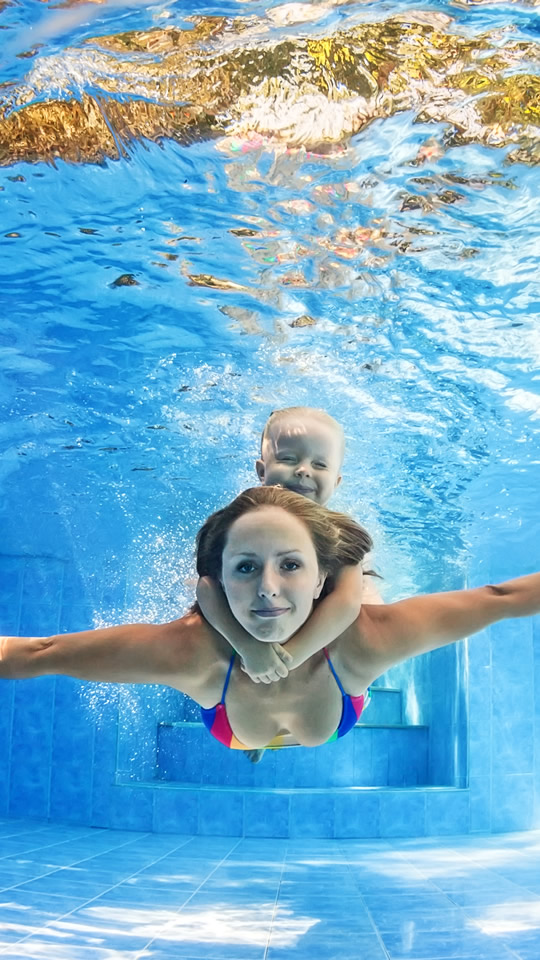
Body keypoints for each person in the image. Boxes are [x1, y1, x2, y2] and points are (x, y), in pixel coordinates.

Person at [1, 486, 539, 753]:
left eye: (290, 565)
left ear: (321, 575)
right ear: (216, 581)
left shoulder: (367, 641)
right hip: (237, 722)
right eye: (245, 568)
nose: (267, 590)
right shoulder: (188, 652)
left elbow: (500, 596)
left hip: (329, 693)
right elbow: (41, 653)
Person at [197, 406, 382, 688]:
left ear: (337, 481)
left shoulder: (338, 534)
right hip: (234, 702)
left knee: (370, 606)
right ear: (261, 470)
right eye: (288, 459)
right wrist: (248, 647)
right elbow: (207, 587)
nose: (303, 470)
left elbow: (346, 603)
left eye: (320, 465)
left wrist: (286, 661)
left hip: (326, 692)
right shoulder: (242, 522)